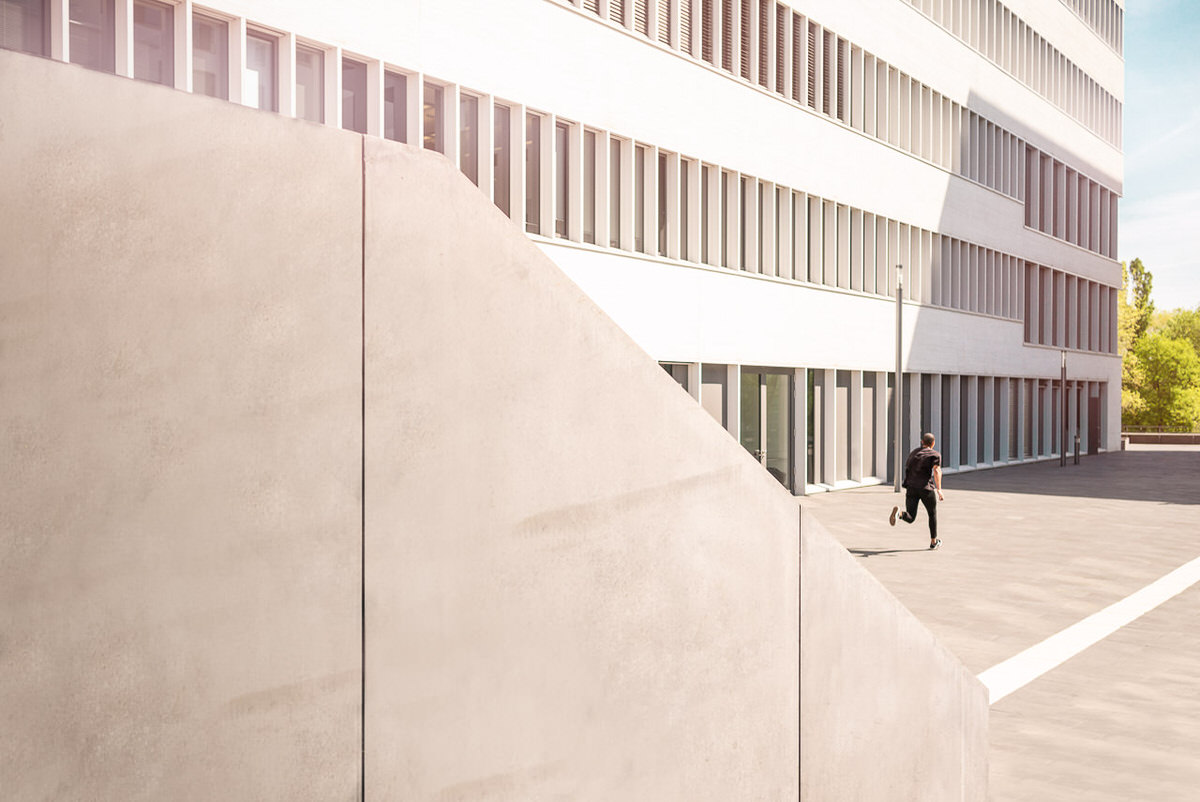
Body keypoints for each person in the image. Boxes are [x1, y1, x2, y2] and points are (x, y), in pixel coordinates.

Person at [889, 432, 944, 549]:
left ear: (922, 442)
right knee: (932, 513)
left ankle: (899, 514)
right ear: (933, 443)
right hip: (925, 488)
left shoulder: (913, 453)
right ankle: (933, 542)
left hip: (911, 487)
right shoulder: (934, 454)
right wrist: (939, 489)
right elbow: (937, 471)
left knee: (910, 517)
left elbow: (907, 468)